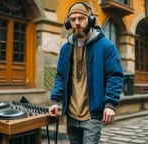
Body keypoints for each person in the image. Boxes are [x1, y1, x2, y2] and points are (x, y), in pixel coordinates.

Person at [48, 2, 124, 144]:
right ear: (68, 23)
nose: (77, 23)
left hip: (92, 116)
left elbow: (115, 76)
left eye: (81, 18)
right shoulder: (65, 49)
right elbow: (60, 76)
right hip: (71, 115)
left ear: (90, 20)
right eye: (72, 19)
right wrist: (55, 101)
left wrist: (110, 104)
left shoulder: (106, 46)